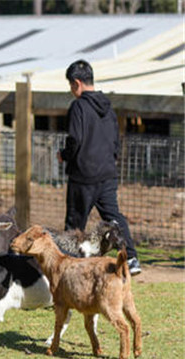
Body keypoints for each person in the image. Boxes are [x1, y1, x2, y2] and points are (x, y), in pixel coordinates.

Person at [57, 59, 141, 276]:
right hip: (107, 174)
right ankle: (131, 258)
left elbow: (75, 139)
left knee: (75, 225)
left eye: (70, 85)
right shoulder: (108, 108)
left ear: (77, 83)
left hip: (83, 175)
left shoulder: (79, 107)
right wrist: (109, 161)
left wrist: (64, 155)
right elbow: (115, 142)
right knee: (114, 217)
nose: (71, 90)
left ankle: (67, 271)